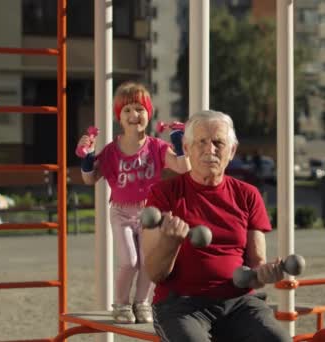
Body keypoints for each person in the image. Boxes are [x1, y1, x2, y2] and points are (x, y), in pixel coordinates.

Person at [141, 110, 291, 342]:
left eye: (218, 142)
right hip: (180, 304)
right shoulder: (163, 194)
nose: (210, 149)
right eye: (201, 142)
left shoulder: (248, 195)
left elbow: (255, 269)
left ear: (231, 151)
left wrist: (264, 273)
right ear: (187, 148)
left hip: (239, 304)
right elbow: (155, 273)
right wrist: (170, 243)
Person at [76, 81, 190, 324]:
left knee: (149, 262)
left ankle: (142, 303)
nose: (133, 115)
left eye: (139, 108)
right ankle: (121, 304)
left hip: (151, 214)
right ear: (119, 117)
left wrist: (179, 142)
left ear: (149, 114)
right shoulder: (110, 151)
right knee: (130, 262)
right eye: (126, 110)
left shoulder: (157, 147)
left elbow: (183, 167)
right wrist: (87, 158)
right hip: (121, 213)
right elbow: (89, 178)